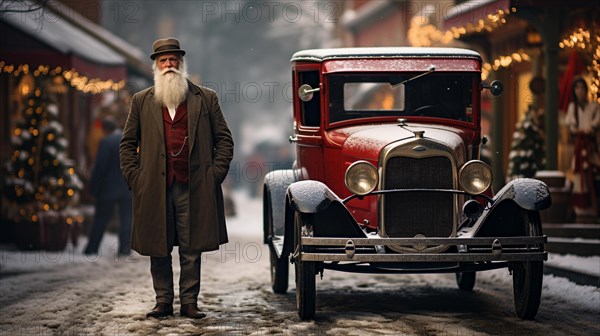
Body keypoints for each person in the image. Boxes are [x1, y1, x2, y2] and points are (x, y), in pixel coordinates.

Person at [119, 37, 234, 319]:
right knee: (157, 246)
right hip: (154, 187)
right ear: (156, 66)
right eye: (163, 60)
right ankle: (163, 302)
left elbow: (224, 140)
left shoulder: (205, 98)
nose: (169, 64)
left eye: (174, 60)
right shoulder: (141, 101)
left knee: (192, 247)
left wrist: (213, 175)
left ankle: (190, 302)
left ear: (181, 64)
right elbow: (126, 144)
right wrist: (136, 179)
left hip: (195, 186)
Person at [84, 116, 132, 256]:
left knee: (101, 219)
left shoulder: (106, 142)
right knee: (127, 220)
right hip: (127, 188)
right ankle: (124, 249)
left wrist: (93, 188)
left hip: (108, 189)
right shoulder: (129, 139)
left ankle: (92, 248)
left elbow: (100, 167)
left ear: (104, 129)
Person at [565, 78, 600, 218]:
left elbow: (596, 122)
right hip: (580, 148)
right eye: (577, 88)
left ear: (586, 90)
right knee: (580, 177)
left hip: (591, 148)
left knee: (595, 175)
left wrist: (590, 128)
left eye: (582, 88)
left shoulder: (593, 106)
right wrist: (581, 131)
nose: (579, 91)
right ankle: (581, 211)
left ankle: (594, 208)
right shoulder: (572, 108)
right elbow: (571, 126)